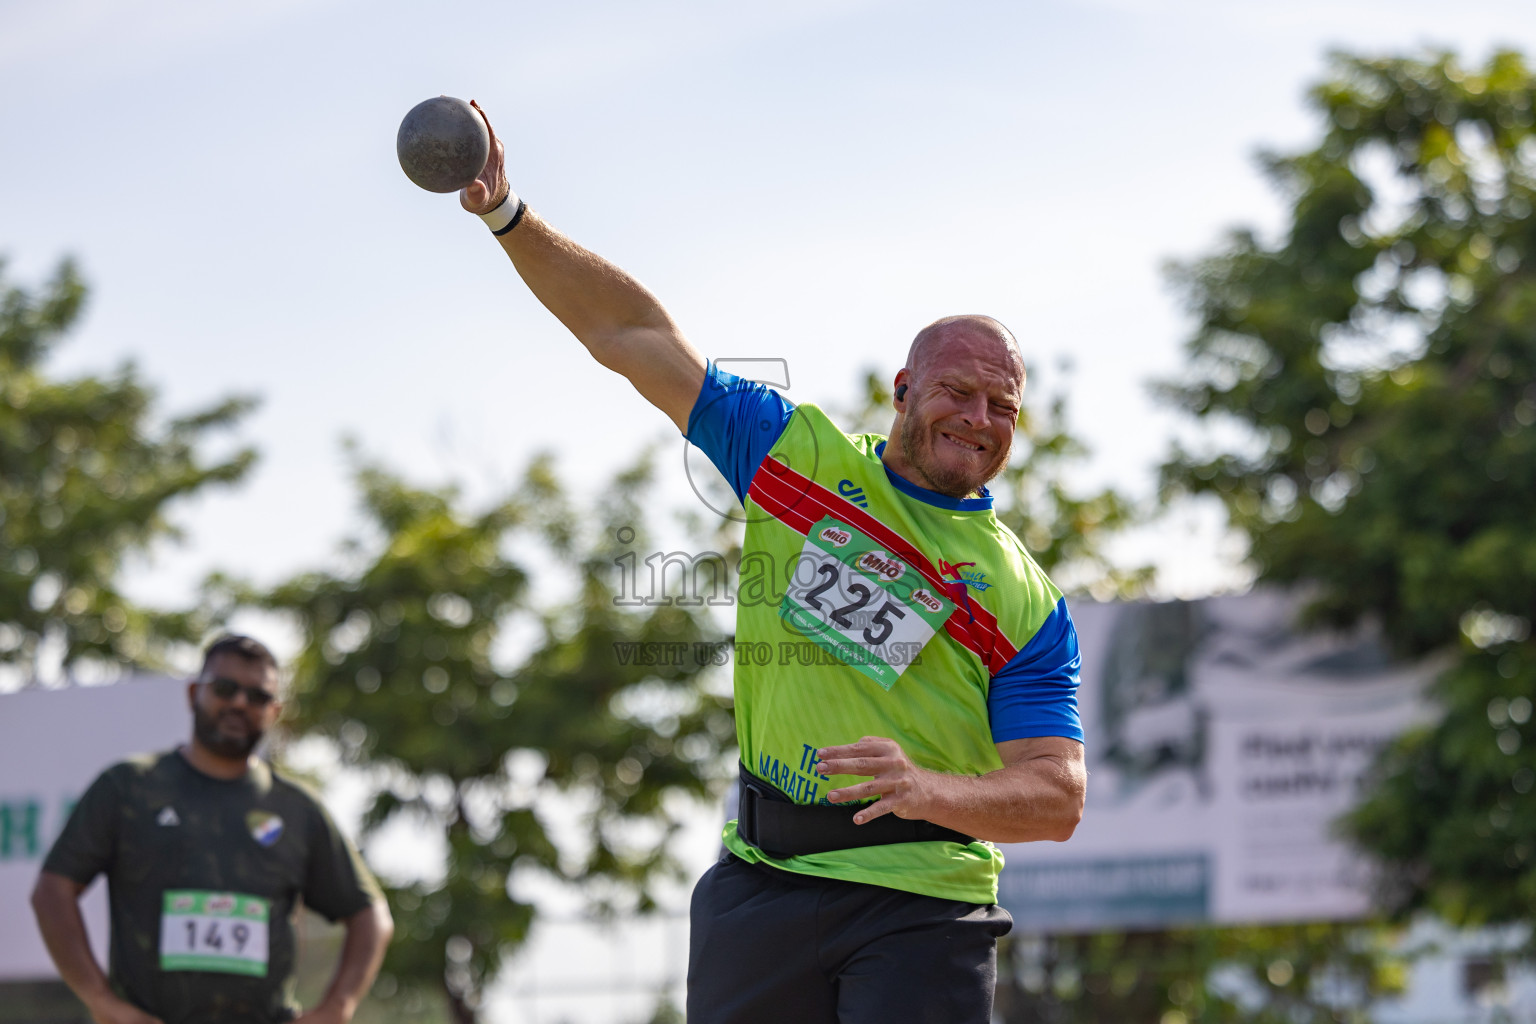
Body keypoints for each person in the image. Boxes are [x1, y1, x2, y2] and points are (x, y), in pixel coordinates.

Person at [457, 102, 1085, 1024]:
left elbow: (1055, 796)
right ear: (903, 390)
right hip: (761, 885)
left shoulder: (1028, 601)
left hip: (921, 901)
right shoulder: (796, 458)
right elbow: (633, 340)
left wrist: (928, 788)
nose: (978, 419)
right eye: (956, 390)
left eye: (1003, 405)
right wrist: (509, 213)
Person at [30, 635, 394, 1024]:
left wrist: (338, 1007)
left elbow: (371, 915)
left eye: (257, 696)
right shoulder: (129, 787)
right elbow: (53, 891)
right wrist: (101, 1000)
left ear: (274, 712)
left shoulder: (297, 809)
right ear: (193, 694)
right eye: (224, 688)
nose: (239, 702)